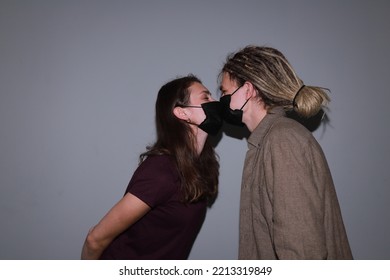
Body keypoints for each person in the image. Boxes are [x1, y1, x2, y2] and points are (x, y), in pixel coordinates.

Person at [218, 45, 353, 259]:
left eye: (224, 92)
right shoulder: (267, 141)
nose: (221, 100)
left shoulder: (282, 140)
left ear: (248, 90)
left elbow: (302, 249)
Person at [81, 74, 222, 259]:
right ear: (182, 113)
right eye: (206, 97)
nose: (215, 102)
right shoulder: (161, 170)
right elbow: (95, 239)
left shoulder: (201, 166)